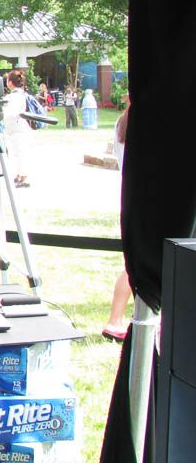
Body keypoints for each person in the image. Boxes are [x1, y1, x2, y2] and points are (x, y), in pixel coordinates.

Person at [104, 96, 132, 342]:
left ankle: (115, 320)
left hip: (133, 197)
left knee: (132, 265)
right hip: (157, 199)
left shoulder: (122, 122)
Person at [3, 70, 33, 188]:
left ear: (10, 83)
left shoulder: (15, 96)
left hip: (18, 128)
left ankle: (23, 177)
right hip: (18, 128)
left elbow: (11, 112)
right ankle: (20, 175)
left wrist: (4, 108)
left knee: (20, 153)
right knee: (18, 153)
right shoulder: (21, 94)